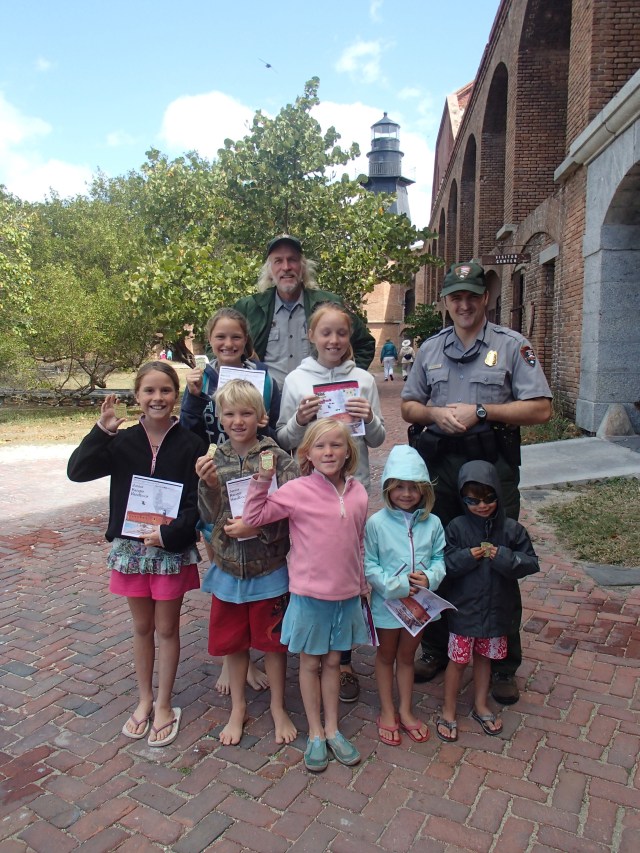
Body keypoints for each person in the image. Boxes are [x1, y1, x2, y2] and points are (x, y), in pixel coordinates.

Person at [401, 260, 552, 704]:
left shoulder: (511, 346)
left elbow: (541, 408)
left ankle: (502, 664)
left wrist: (482, 411)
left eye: (472, 296)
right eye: (456, 297)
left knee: (497, 561)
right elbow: (409, 405)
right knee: (439, 558)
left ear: (485, 298)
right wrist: (433, 413)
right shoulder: (430, 349)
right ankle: (437, 647)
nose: (464, 304)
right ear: (446, 302)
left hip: (491, 466)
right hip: (443, 468)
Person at [67, 362, 205, 747]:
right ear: (137, 396)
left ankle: (164, 704)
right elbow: (77, 471)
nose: (157, 398)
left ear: (175, 395)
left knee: (168, 629)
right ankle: (144, 699)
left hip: (169, 549)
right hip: (132, 549)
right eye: (149, 391)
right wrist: (101, 431)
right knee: (142, 627)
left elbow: (196, 503)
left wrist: (168, 534)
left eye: (165, 390)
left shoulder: (192, 443)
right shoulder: (122, 441)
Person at [243, 419, 369, 772]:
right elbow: (254, 515)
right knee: (311, 663)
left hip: (345, 596)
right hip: (310, 596)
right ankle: (314, 732)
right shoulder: (297, 490)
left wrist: (362, 584)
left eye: (336, 445)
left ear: (348, 452)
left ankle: (332, 729)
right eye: (320, 446)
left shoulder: (358, 492)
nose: (328, 452)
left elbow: (358, 542)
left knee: (334, 663)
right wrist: (262, 479)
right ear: (308, 454)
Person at [276, 301, 386, 700]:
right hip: (311, 493)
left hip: (352, 489)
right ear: (312, 336)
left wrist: (369, 418)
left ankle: (343, 661)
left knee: (348, 564)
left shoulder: (363, 379)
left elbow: (377, 438)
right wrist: (299, 420)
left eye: (341, 332)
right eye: (326, 332)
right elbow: (284, 438)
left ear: (349, 335)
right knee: (314, 562)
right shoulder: (296, 380)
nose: (334, 340)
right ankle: (312, 647)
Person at [180, 307, 281, 694]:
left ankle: (255, 648)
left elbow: (272, 431)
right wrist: (193, 398)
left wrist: (269, 467)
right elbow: (189, 433)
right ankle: (234, 660)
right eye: (220, 337)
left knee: (256, 565)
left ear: (245, 340)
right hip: (216, 480)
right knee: (224, 568)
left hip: (254, 481)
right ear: (210, 340)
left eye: (235, 336)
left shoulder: (263, 379)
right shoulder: (201, 379)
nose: (228, 343)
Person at [195, 380, 299, 746]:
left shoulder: (275, 458)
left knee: (272, 643)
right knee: (235, 642)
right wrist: (208, 486)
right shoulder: (215, 458)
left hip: (267, 567)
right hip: (228, 569)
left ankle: (277, 706)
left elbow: (292, 509)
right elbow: (208, 515)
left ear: (261, 417)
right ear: (220, 418)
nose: (238, 421)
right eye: (230, 414)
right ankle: (238, 707)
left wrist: (258, 527)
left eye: (246, 413)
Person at [436, 460, 539, 742]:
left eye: (488, 498)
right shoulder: (456, 528)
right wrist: (467, 556)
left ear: (498, 495)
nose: (482, 506)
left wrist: (502, 556)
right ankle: (448, 709)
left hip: (496, 611)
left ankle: (481, 704)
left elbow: (530, 562)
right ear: (462, 498)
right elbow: (444, 564)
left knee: (484, 659)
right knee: (457, 661)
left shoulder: (511, 530)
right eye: (473, 500)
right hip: (464, 611)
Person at [364, 445, 446, 746]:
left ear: (424, 489)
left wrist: (430, 578)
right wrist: (395, 585)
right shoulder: (376, 524)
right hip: (387, 606)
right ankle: (387, 709)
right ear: (388, 487)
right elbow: (370, 565)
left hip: (419, 606)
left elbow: (439, 558)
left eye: (413, 487)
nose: (407, 494)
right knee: (386, 656)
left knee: (408, 657)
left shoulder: (433, 523)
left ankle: (406, 709)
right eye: (399, 487)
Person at [233, 234, 376, 389]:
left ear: (302, 267)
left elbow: (365, 344)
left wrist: (344, 379)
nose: (286, 267)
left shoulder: (328, 304)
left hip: (316, 399)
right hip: (267, 399)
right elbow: (221, 346)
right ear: (270, 270)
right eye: (278, 261)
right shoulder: (249, 307)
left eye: (292, 259)